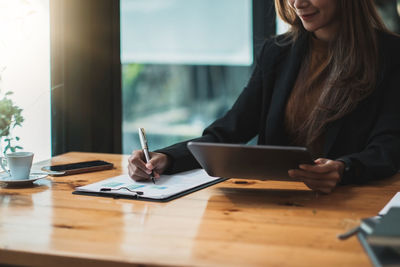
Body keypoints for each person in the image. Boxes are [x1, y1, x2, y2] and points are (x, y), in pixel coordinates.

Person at [128, 0, 400, 193]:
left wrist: (344, 168)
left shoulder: (390, 55)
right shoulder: (277, 52)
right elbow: (228, 132)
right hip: (274, 201)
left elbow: (388, 148)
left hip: (350, 205)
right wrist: (166, 158)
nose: (297, 3)